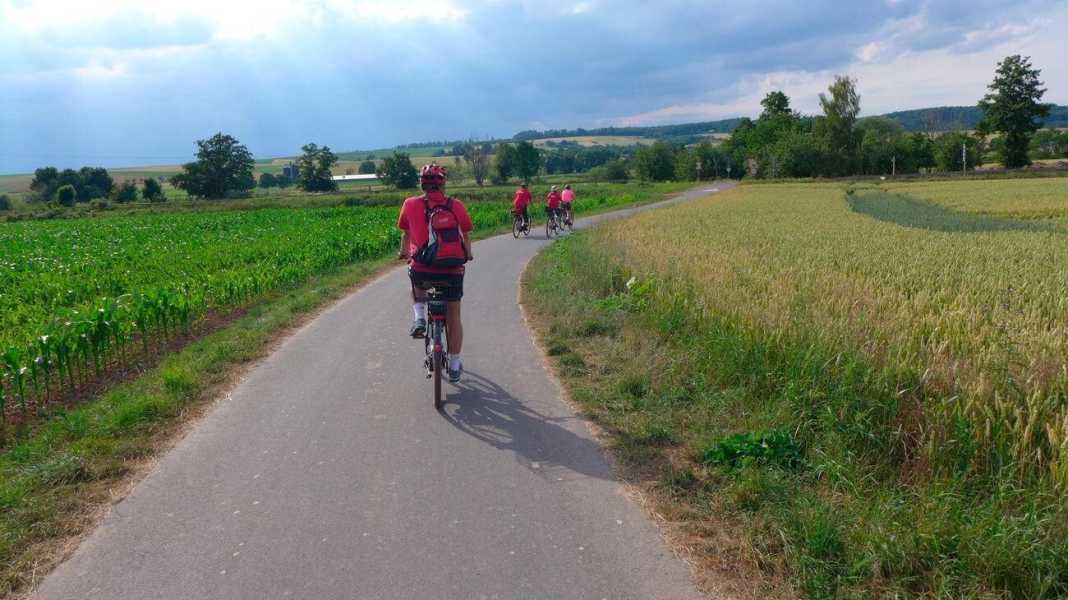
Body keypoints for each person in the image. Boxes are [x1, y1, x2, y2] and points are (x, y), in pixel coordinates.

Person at [398, 163, 473, 383]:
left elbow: (406, 234)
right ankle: (455, 364)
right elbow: (466, 236)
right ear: (443, 183)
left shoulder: (410, 204)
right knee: (454, 316)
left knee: (416, 283)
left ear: (422, 183)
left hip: (422, 268)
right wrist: (468, 254)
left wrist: (404, 253)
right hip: (452, 270)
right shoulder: (456, 205)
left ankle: (420, 317)